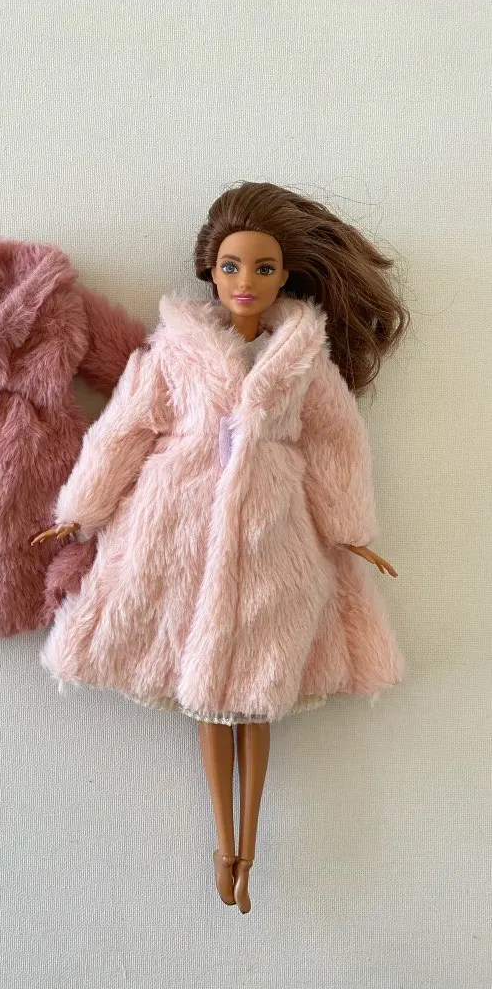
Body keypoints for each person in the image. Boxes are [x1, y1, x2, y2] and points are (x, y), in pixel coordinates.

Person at [32, 181, 409, 912]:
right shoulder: (174, 351)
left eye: (263, 268)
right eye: (233, 266)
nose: (246, 281)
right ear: (210, 269)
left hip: (272, 534)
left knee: (258, 691)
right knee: (205, 691)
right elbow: (125, 428)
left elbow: (336, 441)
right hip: (179, 528)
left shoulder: (303, 358)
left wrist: (349, 529)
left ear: (286, 275)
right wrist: (83, 507)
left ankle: (248, 846)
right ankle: (223, 842)